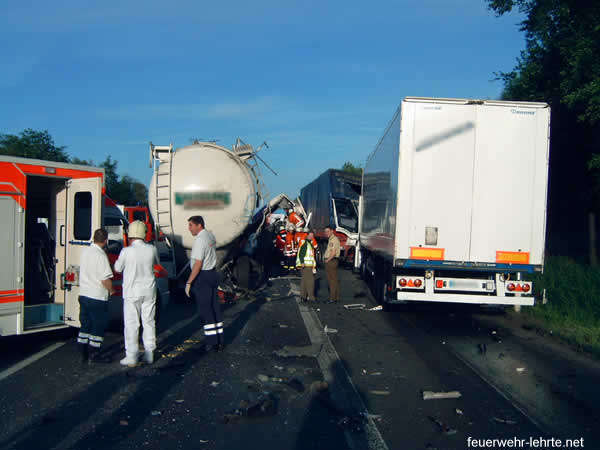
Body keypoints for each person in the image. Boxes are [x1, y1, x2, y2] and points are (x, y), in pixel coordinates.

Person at [114, 221, 159, 367]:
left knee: (132, 324)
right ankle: (149, 353)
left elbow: (117, 269)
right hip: (149, 290)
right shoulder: (152, 249)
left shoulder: (126, 251)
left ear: (130, 234)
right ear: (144, 234)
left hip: (132, 292)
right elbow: (156, 264)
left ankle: (132, 356)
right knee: (149, 322)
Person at [185, 216, 224, 352]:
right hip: (213, 274)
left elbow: (198, 263)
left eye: (191, 225)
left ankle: (211, 343)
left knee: (205, 310)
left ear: (199, 225)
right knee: (214, 308)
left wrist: (189, 282)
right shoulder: (210, 236)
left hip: (203, 277)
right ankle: (219, 340)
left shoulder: (200, 240)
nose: (189, 228)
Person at [77, 228, 114, 364]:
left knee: (85, 325)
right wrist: (112, 290)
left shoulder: (85, 251)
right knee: (98, 326)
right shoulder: (101, 255)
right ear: (106, 240)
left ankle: (83, 353)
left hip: (84, 295)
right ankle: (94, 354)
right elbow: (105, 279)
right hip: (97, 297)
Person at [296, 230, 317, 303]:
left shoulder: (308, 244)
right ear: (307, 235)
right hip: (306, 266)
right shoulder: (306, 244)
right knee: (311, 282)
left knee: (304, 281)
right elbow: (301, 254)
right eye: (310, 235)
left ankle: (303, 297)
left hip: (307, 266)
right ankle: (311, 297)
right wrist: (302, 262)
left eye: (312, 236)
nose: (311, 237)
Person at [323, 225, 341, 304]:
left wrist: (327, 260)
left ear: (332, 231)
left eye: (328, 231)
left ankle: (332, 298)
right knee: (333, 280)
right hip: (332, 261)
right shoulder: (331, 239)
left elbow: (333, 252)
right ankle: (335, 297)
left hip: (331, 261)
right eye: (325, 231)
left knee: (332, 280)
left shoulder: (334, 240)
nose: (326, 233)